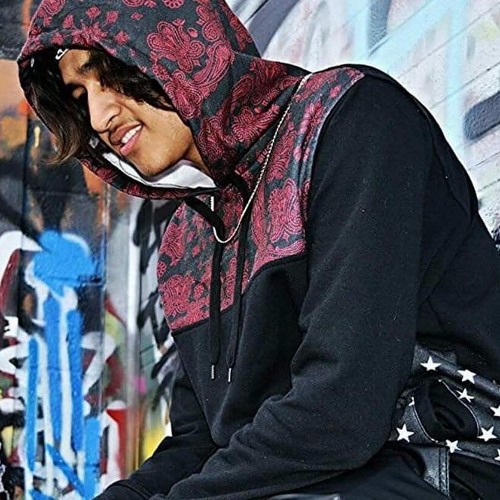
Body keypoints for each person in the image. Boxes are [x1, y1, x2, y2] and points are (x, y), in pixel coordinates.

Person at [17, 0, 500, 499]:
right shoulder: (186, 244)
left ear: (172, 45)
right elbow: (200, 442)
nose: (99, 116)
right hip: (329, 477)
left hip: (453, 462)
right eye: (81, 95)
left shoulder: (347, 120)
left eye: (111, 75)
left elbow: (340, 405)